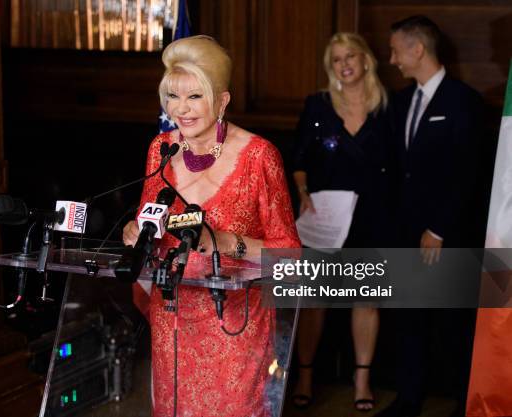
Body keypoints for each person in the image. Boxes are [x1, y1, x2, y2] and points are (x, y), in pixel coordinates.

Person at [122, 35, 301, 417]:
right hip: (173, 316)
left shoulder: (259, 157)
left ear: (222, 101)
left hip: (235, 324)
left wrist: (222, 241)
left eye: (194, 97)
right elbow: (148, 217)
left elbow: (291, 255)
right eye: (172, 96)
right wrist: (137, 232)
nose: (180, 110)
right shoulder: (160, 149)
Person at [375, 16, 484, 417]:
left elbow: (468, 173)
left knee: (452, 325)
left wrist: (439, 229)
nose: (392, 59)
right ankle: (408, 400)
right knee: (409, 321)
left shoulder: (463, 101)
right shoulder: (400, 102)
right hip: (405, 233)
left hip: (447, 236)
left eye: (396, 50)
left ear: (417, 49)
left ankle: (463, 403)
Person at [291, 32, 393, 412]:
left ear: (367, 60)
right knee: (314, 300)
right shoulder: (317, 105)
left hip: (374, 218)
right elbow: (299, 159)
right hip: (325, 218)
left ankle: (361, 378)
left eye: (351, 55)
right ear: (329, 67)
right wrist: (301, 191)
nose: (345, 63)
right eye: (336, 59)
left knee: (366, 300)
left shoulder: (389, 107)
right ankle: (303, 375)